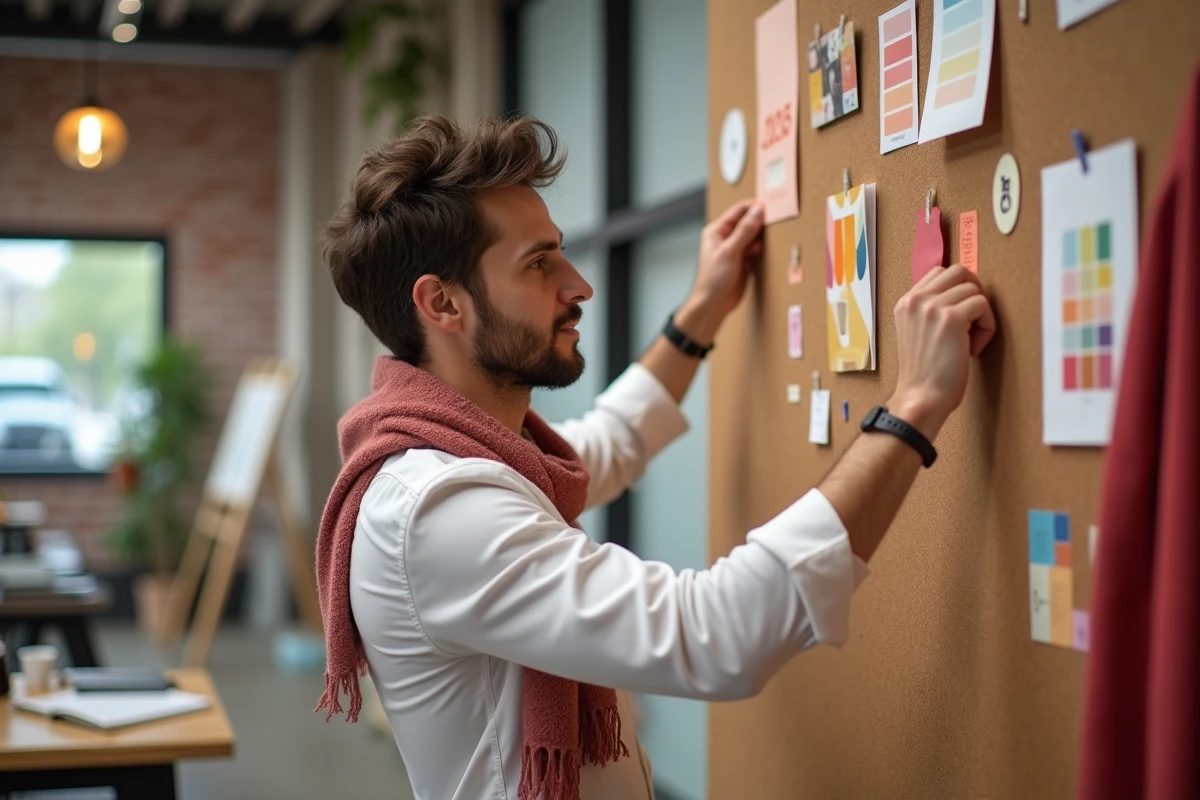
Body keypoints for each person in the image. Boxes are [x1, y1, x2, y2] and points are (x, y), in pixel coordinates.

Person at [314, 115, 996, 800]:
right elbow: (715, 636)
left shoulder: (478, 463)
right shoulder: (439, 510)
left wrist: (700, 312)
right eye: (539, 263)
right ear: (442, 304)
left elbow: (609, 442)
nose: (580, 285)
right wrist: (914, 405)